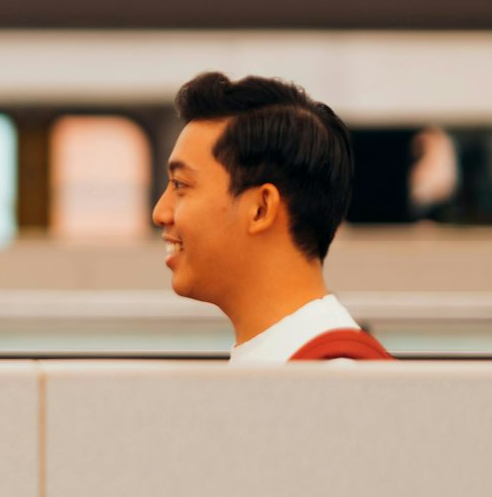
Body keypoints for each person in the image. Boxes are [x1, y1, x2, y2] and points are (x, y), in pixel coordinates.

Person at [154, 72, 392, 363]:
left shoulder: (333, 381)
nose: (160, 213)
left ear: (261, 209)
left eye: (180, 185)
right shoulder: (294, 363)